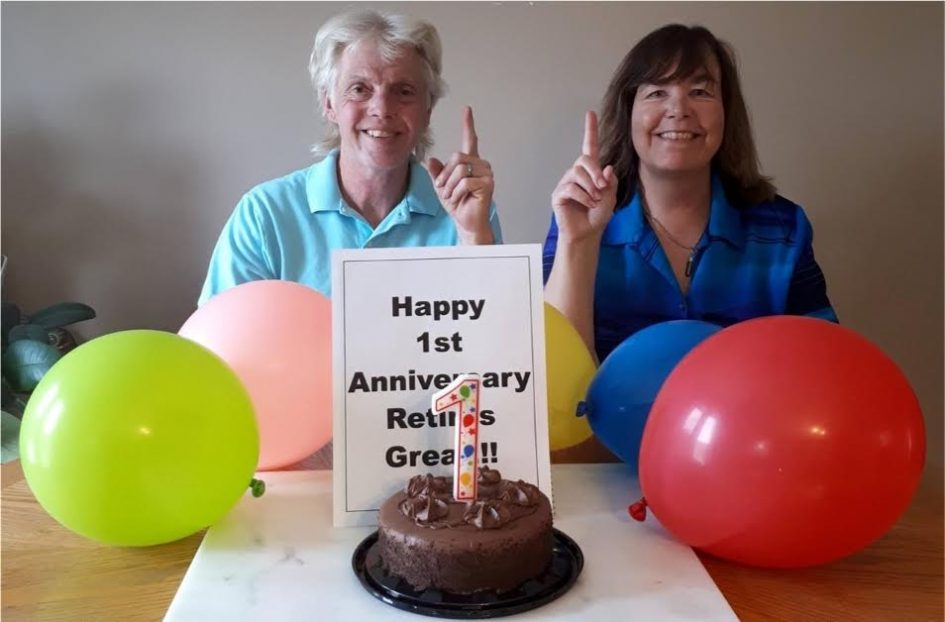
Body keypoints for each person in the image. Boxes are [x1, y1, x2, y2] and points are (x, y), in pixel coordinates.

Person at [543, 24, 837, 364]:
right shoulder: (579, 218)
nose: (679, 109)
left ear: (727, 113)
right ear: (629, 114)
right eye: (656, 93)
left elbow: (823, 361)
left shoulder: (782, 229)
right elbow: (554, 373)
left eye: (700, 92)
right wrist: (578, 242)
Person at [199, 10, 501, 305]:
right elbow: (221, 343)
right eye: (360, 89)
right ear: (329, 103)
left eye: (404, 91)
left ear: (428, 109)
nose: (382, 109)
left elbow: (497, 339)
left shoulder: (467, 209)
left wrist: (473, 236)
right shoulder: (265, 215)